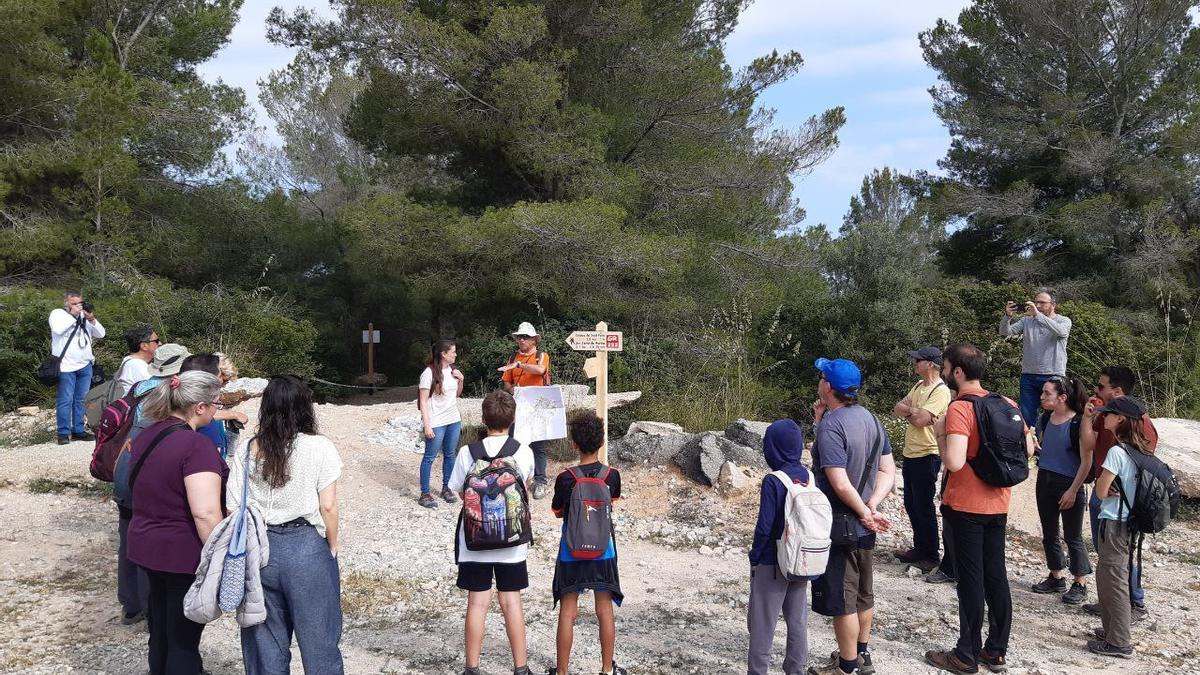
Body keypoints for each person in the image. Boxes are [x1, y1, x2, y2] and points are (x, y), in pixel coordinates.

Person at [925, 344, 1035, 674]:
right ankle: (996, 651)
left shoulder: (960, 409)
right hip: (998, 504)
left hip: (965, 506)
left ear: (958, 372)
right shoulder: (1007, 403)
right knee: (995, 577)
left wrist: (941, 434)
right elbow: (1028, 447)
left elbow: (955, 462)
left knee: (970, 581)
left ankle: (965, 655)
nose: (945, 372)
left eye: (946, 367)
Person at [230, 375, 345, 674]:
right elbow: (328, 506)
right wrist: (332, 542)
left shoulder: (248, 448)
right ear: (304, 407)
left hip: (259, 548)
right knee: (320, 642)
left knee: (265, 644)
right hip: (306, 546)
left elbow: (233, 505)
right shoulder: (319, 447)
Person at [125, 371, 226, 675]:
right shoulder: (196, 447)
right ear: (199, 407)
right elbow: (205, 513)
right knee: (183, 638)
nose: (216, 410)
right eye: (215, 404)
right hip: (182, 553)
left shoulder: (147, 434)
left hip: (145, 545)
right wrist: (220, 558)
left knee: (161, 631)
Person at [808, 358, 895, 675]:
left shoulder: (834, 425)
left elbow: (839, 481)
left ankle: (845, 667)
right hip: (863, 524)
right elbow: (888, 470)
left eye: (821, 376)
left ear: (828, 386)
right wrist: (871, 506)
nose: (819, 381)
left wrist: (861, 510)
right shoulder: (871, 419)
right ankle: (861, 654)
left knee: (842, 598)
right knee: (863, 592)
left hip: (840, 523)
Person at [448, 390, 535, 675]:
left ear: (483, 419)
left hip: (475, 539)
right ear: (513, 420)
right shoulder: (523, 451)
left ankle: (471, 669)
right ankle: (520, 668)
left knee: (477, 602)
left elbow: (458, 490)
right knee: (511, 601)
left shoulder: (467, 452)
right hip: (512, 541)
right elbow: (528, 485)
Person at [548, 411, 626, 675]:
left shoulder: (565, 477)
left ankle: (562, 671)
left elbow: (558, 511)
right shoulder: (611, 476)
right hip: (604, 550)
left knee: (568, 610)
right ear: (602, 441)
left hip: (571, 551)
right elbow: (611, 504)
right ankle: (606, 669)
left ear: (574, 443)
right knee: (604, 608)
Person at [1081, 365, 1157, 621]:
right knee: (1107, 554)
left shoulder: (1140, 423)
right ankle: (1113, 602)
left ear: (1118, 391)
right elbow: (1090, 445)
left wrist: (1122, 483)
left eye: (1101, 386)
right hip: (1104, 492)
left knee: (1120, 553)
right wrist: (1087, 418)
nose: (1096, 390)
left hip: (1122, 499)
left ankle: (1134, 604)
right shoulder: (1106, 415)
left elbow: (1146, 462)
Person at [1087, 395, 1153, 659]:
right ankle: (1111, 632)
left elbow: (1101, 491)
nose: (1105, 417)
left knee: (1113, 582)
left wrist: (1102, 484)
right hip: (1128, 523)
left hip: (1114, 523)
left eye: (1110, 414)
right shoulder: (1141, 450)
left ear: (1121, 420)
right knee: (1110, 578)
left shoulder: (1117, 451)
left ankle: (1119, 642)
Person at [747, 419, 812, 675]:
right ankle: (796, 669)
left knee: (763, 623)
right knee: (797, 621)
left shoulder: (773, 481)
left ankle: (758, 671)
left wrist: (755, 556)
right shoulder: (809, 476)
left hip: (772, 561)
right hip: (801, 558)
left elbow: (765, 525)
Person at [1031, 376, 1093, 605]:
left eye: (1047, 393)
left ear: (1062, 397)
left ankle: (1080, 582)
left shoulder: (1079, 423)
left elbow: (1087, 461)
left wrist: (1073, 490)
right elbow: (1046, 447)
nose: (1042, 397)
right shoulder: (1044, 418)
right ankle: (1056, 575)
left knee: (1073, 536)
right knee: (1049, 532)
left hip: (1069, 482)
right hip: (1045, 479)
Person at [892, 346, 952, 572]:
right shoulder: (918, 386)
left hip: (928, 452)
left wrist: (913, 412)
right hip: (911, 451)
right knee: (911, 503)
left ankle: (930, 553)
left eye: (918, 360)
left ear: (930, 364)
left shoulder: (940, 391)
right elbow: (898, 408)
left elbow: (922, 419)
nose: (915, 363)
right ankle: (919, 547)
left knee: (924, 505)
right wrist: (914, 412)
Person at [1000, 288, 1071, 425]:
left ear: (1053, 305)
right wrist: (1007, 316)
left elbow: (1061, 332)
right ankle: (1030, 445)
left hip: (1054, 375)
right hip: (1029, 375)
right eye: (1036, 302)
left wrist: (1038, 315)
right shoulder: (1027, 321)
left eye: (1042, 303)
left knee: (1054, 416)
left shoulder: (1064, 321)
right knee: (1026, 417)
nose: (1038, 306)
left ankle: (1049, 443)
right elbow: (1005, 332)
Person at [498, 321, 552, 499]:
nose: (521, 339)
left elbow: (541, 370)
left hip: (537, 407)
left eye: (525, 337)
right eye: (520, 337)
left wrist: (520, 366)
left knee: (538, 446)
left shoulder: (541, 355)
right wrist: (514, 391)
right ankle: (516, 480)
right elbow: (506, 380)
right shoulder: (513, 358)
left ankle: (540, 481)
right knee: (516, 443)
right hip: (518, 407)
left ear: (534, 340)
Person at [49, 290, 106, 444]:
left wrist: (92, 319)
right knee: (65, 399)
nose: (77, 306)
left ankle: (79, 431)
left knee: (81, 399)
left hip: (85, 365)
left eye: (79, 303)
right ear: (66, 303)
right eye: (73, 304)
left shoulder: (84, 316)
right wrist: (74, 316)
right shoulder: (58, 314)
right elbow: (58, 330)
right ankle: (63, 433)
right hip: (66, 366)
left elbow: (101, 334)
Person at [418, 339, 465, 508]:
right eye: (452, 351)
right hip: (436, 421)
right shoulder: (428, 373)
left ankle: (446, 488)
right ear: (443, 354)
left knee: (450, 454)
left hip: (453, 419)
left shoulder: (453, 370)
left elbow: (457, 395)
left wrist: (461, 380)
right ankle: (424, 493)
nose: (455, 354)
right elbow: (423, 401)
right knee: (429, 457)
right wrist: (427, 425)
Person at [180, 353, 247, 461]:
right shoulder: (195, 399)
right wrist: (233, 414)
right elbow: (201, 412)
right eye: (223, 379)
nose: (224, 384)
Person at [116, 325, 159, 396]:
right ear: (144, 346)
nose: (160, 344)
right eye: (156, 341)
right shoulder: (135, 365)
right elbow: (158, 391)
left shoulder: (130, 362)